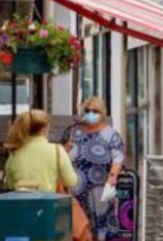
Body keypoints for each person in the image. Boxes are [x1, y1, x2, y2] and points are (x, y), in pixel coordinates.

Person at [66, 97, 125, 241]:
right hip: (75, 191)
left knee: (101, 227)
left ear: (102, 113)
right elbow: (61, 155)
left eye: (95, 111)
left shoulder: (111, 134)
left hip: (100, 190)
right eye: (87, 110)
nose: (90, 113)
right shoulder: (73, 131)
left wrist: (112, 177)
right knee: (78, 229)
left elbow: (118, 157)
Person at [4, 109, 78, 193]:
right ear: (45, 129)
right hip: (47, 204)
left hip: (19, 204)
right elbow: (71, 181)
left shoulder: (15, 152)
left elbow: (10, 184)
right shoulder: (57, 150)